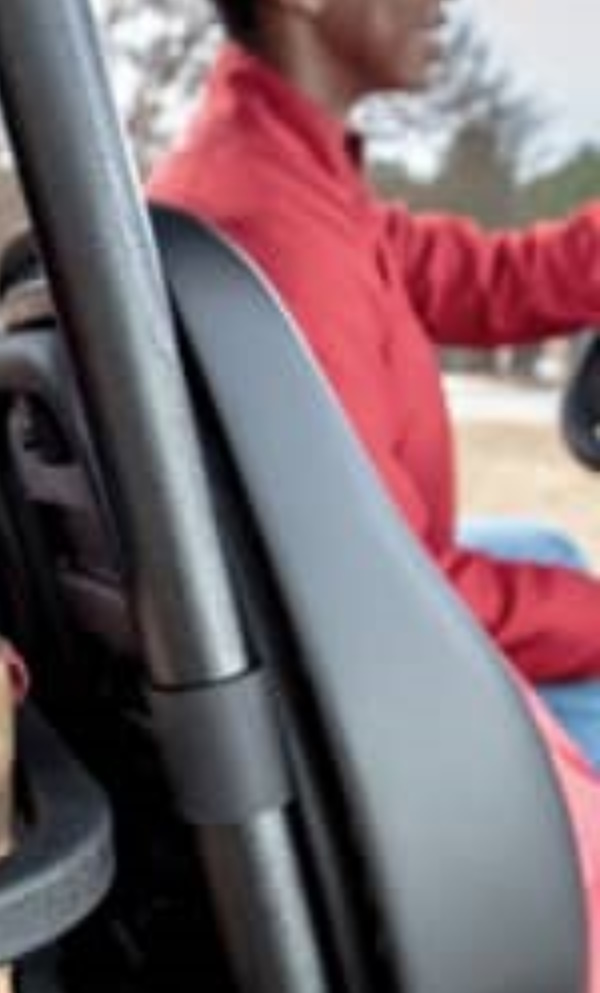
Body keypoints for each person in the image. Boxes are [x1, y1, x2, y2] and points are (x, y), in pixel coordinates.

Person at [148, 0, 600, 765]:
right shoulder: (276, 230)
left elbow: (494, 282)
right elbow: (390, 591)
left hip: (325, 600)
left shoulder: (291, 172)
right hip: (361, 671)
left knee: (547, 549)